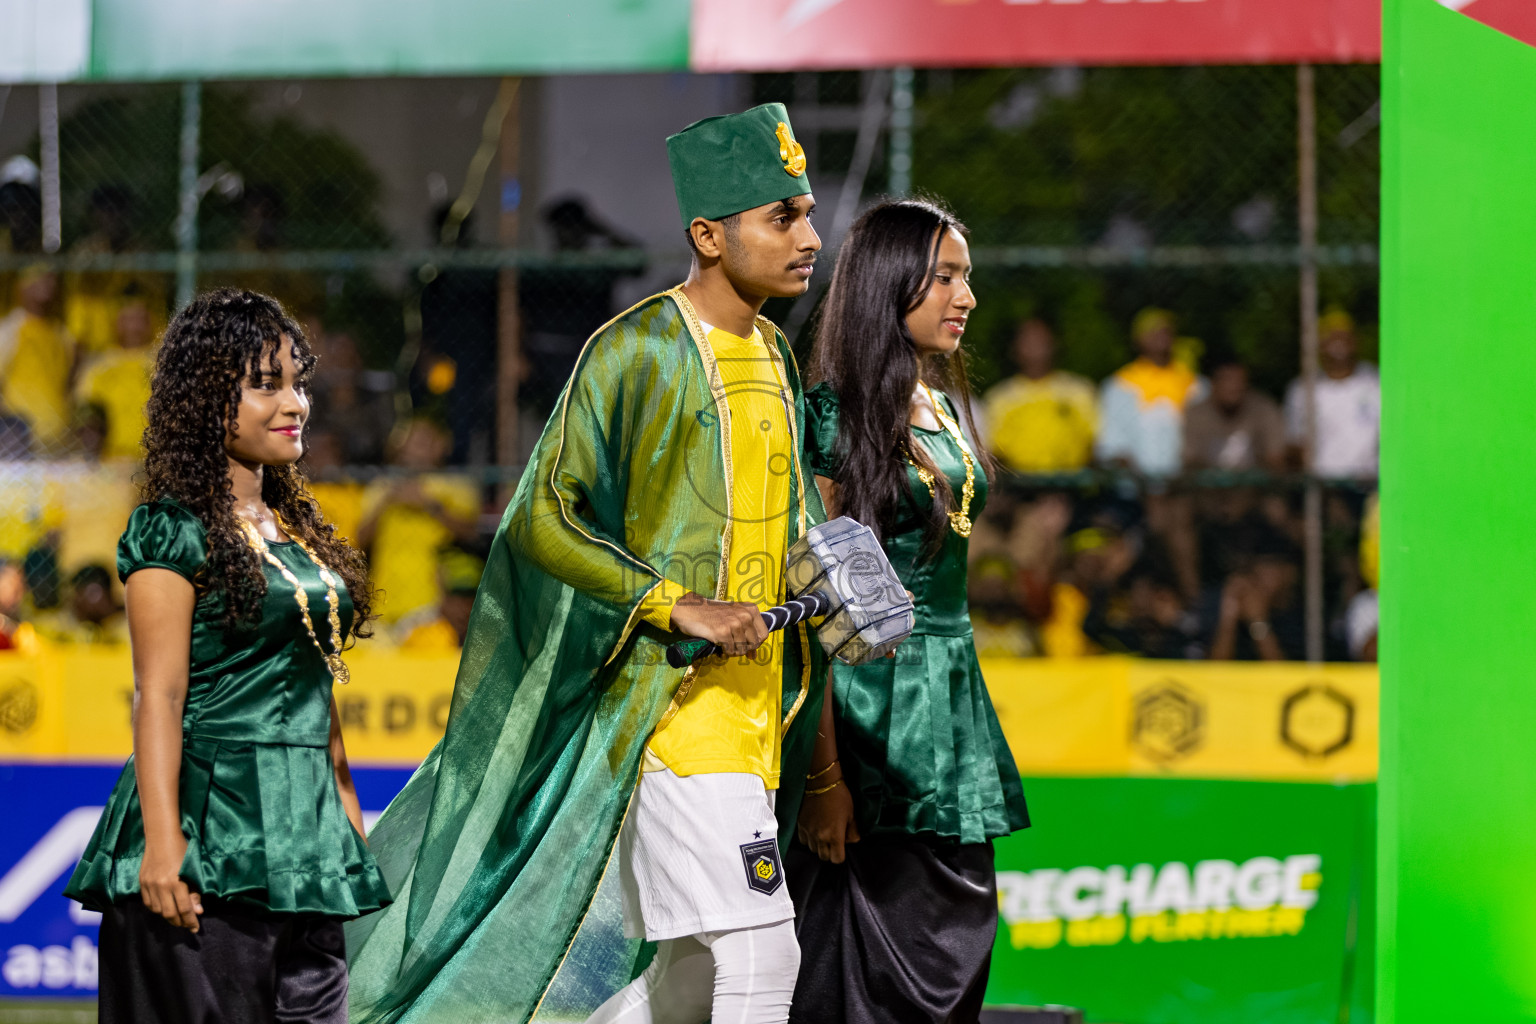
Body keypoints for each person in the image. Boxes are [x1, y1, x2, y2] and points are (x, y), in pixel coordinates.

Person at [346, 103, 828, 1024]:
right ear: (708, 236)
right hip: (669, 711)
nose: (811, 236)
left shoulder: (774, 352)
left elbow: (786, 518)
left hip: (762, 709)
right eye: (783, 217)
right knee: (764, 953)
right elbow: (540, 519)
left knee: (689, 977)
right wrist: (672, 603)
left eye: (806, 213)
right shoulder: (637, 348)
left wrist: (838, 575)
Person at [63, 289, 391, 1023]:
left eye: (298, 382)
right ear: (211, 400)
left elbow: (313, 686)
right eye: (266, 384)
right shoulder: (169, 530)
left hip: (306, 841)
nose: (295, 403)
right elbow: (160, 695)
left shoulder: (300, 532)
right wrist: (160, 845)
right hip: (212, 835)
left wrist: (347, 825)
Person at [790, 199, 1030, 1023]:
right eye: (946, 278)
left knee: (954, 950)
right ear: (891, 285)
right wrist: (823, 778)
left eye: (967, 277)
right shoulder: (831, 415)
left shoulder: (942, 404)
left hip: (950, 708)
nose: (966, 297)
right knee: (855, 972)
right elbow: (811, 597)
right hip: (866, 720)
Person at [355, 417, 481, 627]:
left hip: (435, 600)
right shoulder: (381, 487)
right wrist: (387, 501)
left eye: (423, 440)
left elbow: (470, 532)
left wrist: (429, 506)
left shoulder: (455, 486)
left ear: (440, 445)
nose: (414, 447)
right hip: (383, 598)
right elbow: (359, 540)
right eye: (410, 440)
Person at [982, 318, 1097, 474]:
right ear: (1014, 349)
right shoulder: (999, 397)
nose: (1035, 347)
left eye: (1041, 340)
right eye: (1027, 341)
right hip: (1018, 484)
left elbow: (1093, 444)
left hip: (1072, 484)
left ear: (1054, 344)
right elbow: (992, 452)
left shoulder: (1079, 390)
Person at [1095, 307, 1202, 477]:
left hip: (1184, 488)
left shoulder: (1196, 384)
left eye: (1165, 329)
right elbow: (1112, 444)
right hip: (1134, 489)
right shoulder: (1119, 385)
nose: (1160, 334)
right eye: (1152, 330)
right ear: (1137, 338)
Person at [1285, 308, 1380, 480]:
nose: (1338, 343)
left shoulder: (1374, 381)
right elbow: (1295, 442)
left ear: (1355, 341)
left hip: (1370, 482)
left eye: (1344, 336)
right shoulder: (1302, 389)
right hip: (1322, 485)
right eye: (1331, 337)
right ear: (1320, 344)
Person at [74, 284, 158, 461]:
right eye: (128, 318)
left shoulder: (162, 366)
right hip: (109, 465)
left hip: (154, 463)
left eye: (139, 318)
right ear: (116, 321)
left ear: (150, 320)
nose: (134, 326)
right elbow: (85, 420)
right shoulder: (97, 368)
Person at [0, 267, 76, 451]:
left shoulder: (62, 334)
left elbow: (67, 385)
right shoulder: (9, 330)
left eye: (51, 279)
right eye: (41, 278)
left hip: (58, 442)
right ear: (22, 286)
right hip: (18, 444)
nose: (48, 285)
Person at [1182, 355, 1286, 473]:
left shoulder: (1265, 410)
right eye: (1227, 379)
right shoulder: (1196, 414)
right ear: (1213, 384)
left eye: (1239, 380)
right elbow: (1190, 460)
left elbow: (1276, 457)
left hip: (1255, 489)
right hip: (1207, 490)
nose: (1233, 387)